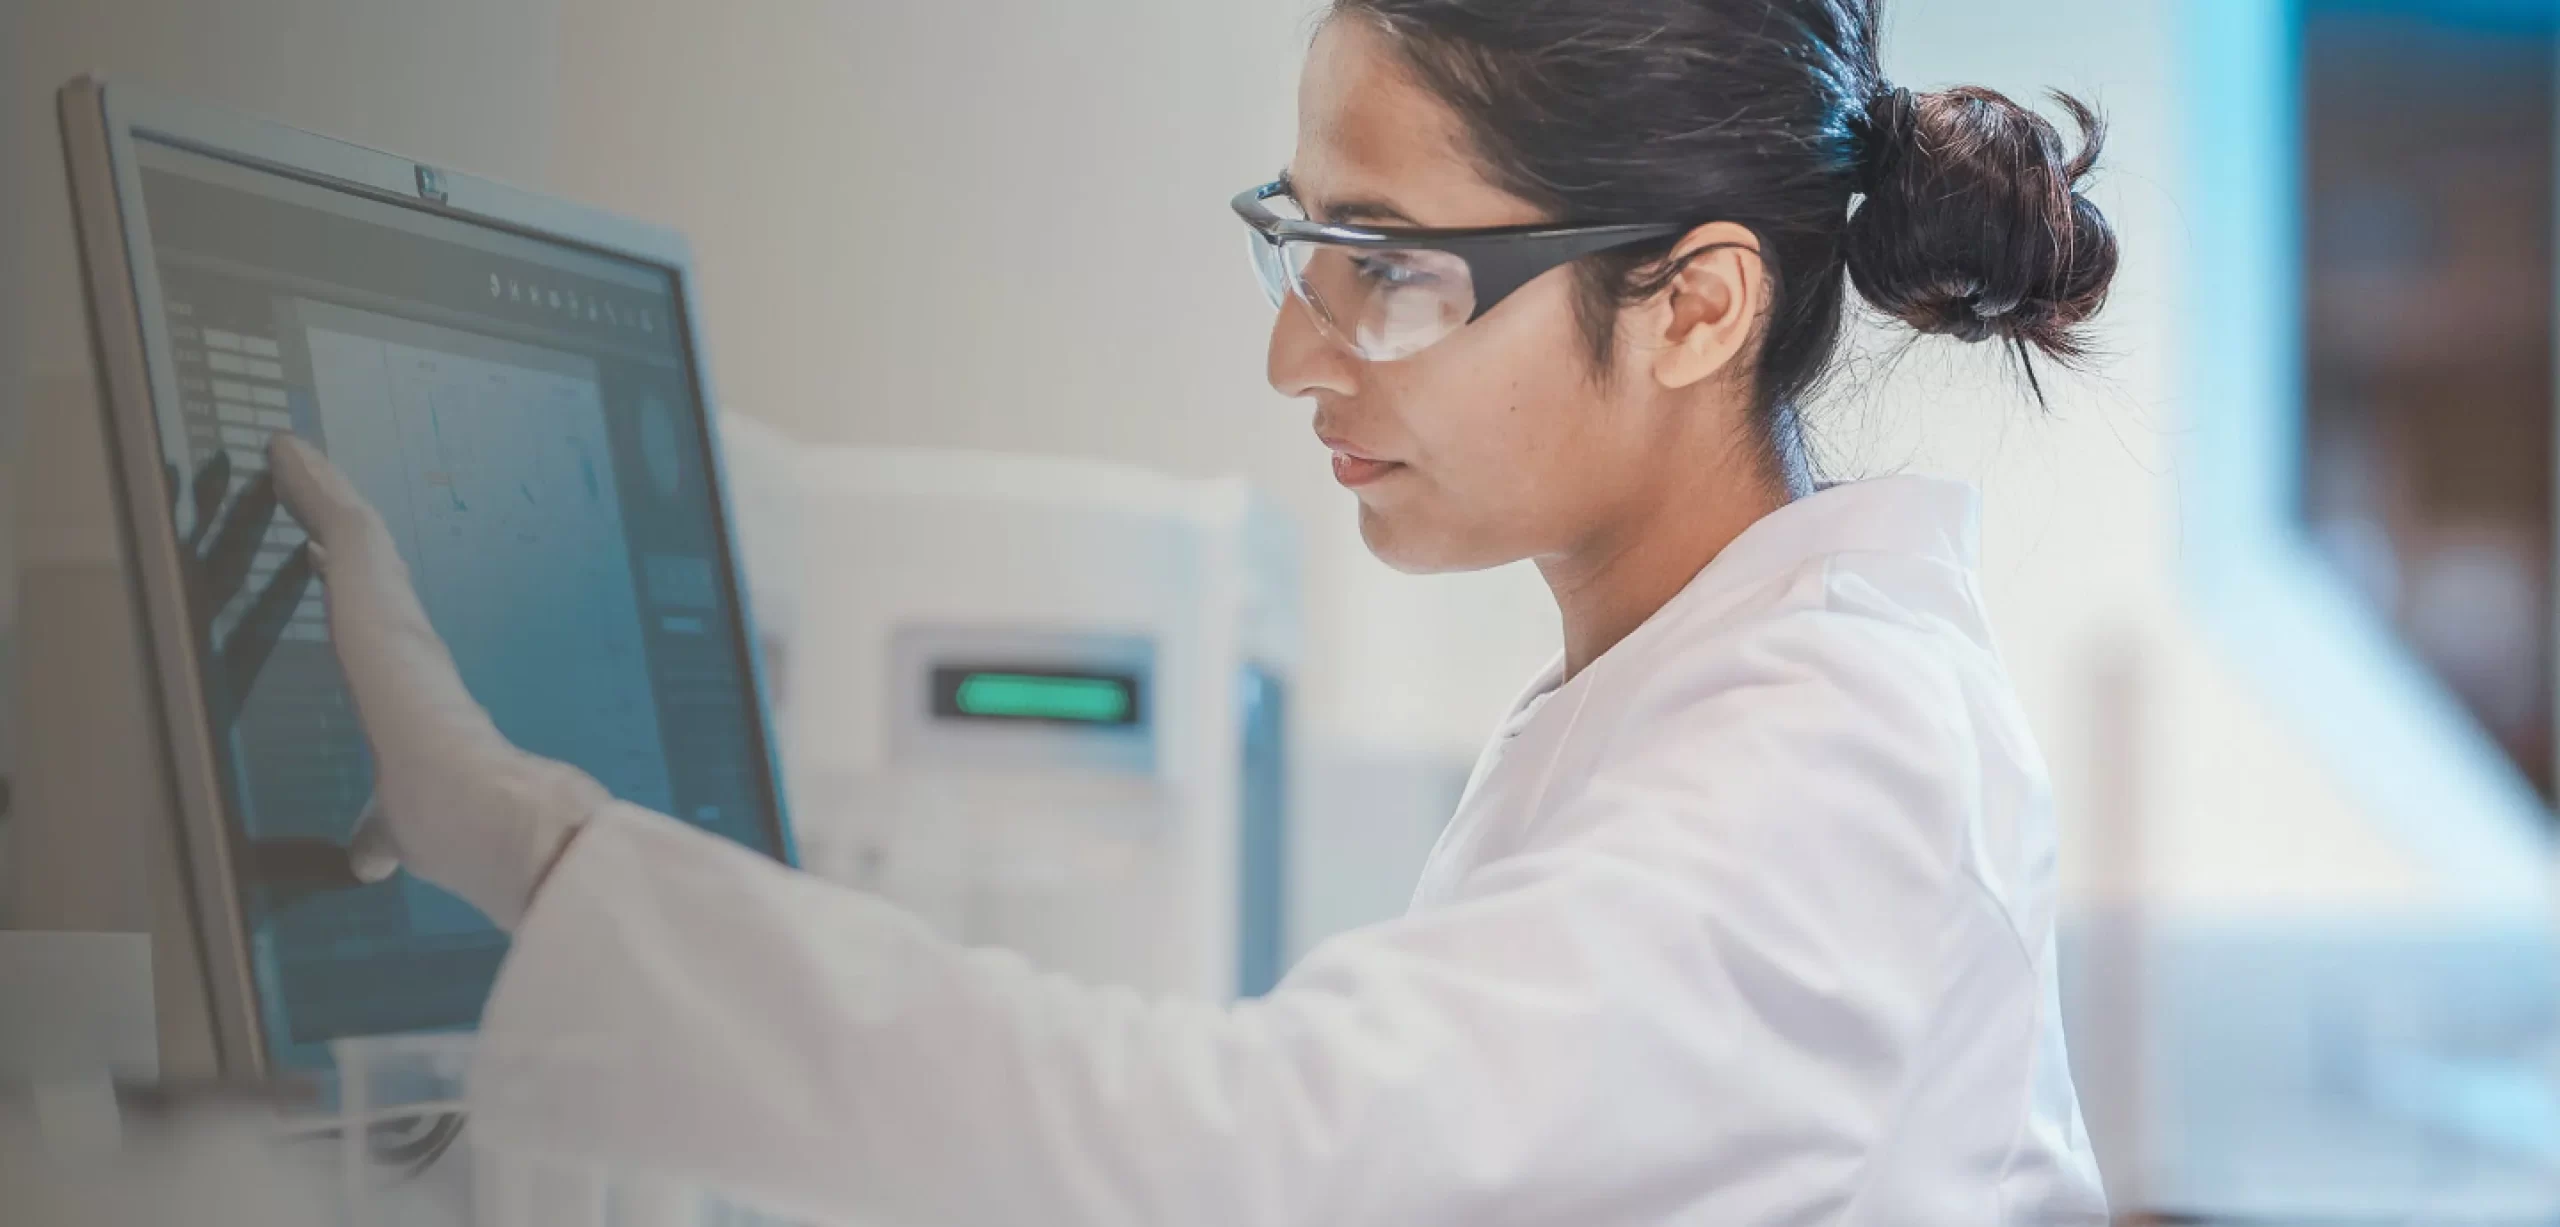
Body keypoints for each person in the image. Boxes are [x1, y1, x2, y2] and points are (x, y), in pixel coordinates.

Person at [268, 0, 2120, 1221]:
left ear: (1696, 309)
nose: (1292, 351)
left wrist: (524, 838)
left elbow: (1251, 1154)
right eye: (1298, 241)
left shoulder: (1836, 750)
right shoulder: (1682, 698)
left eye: (1384, 266)